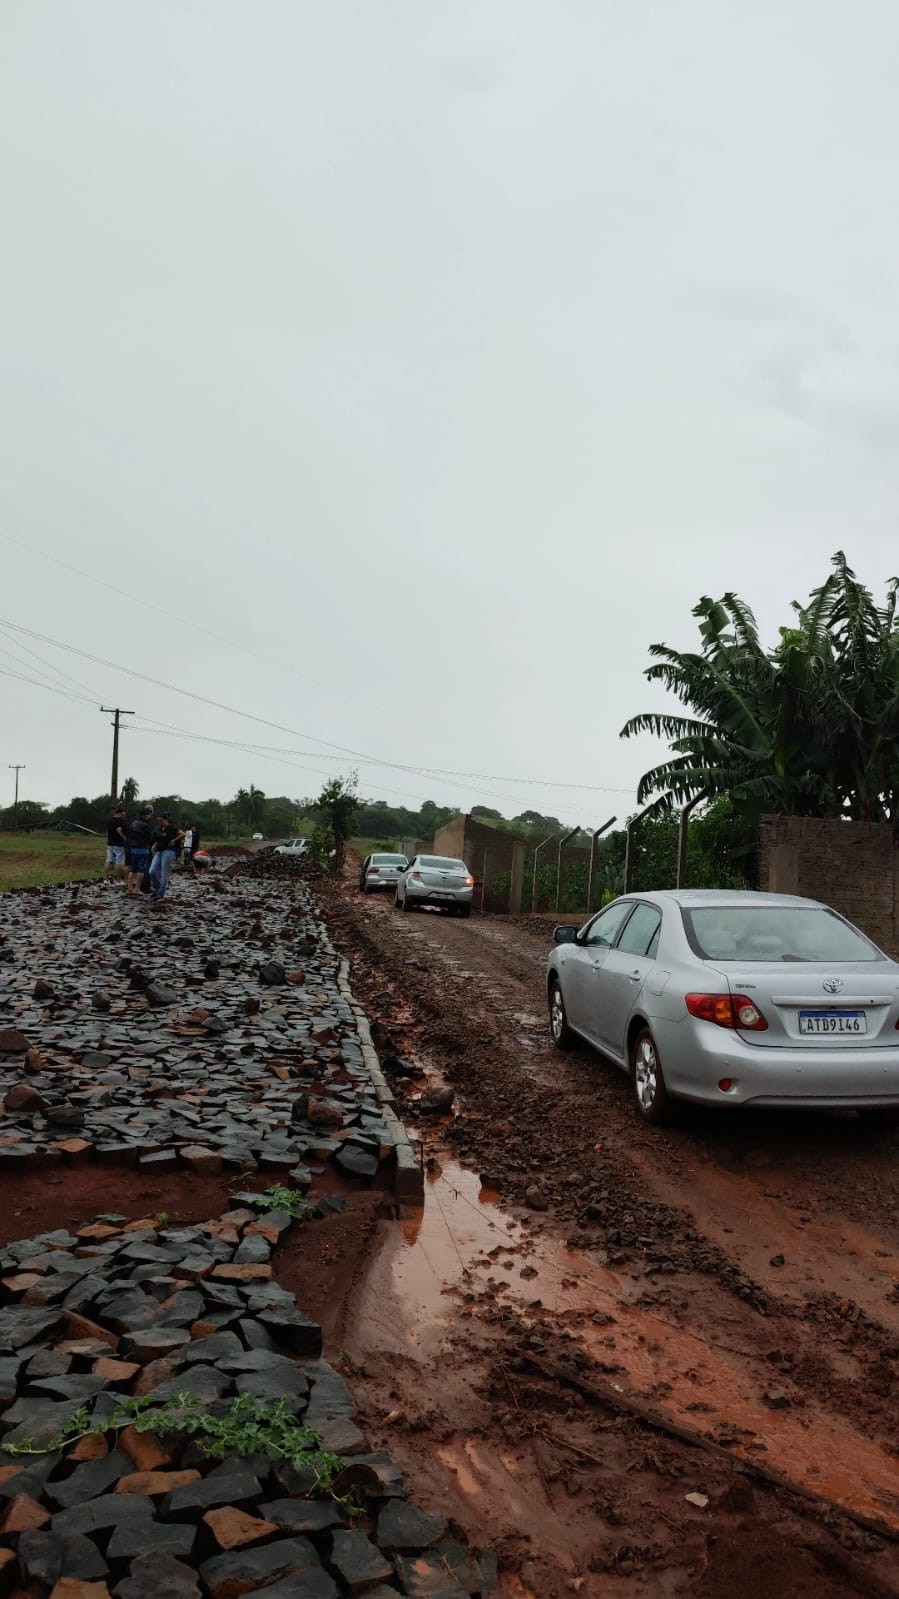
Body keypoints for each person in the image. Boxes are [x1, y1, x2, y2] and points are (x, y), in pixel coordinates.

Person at [148, 813, 185, 906]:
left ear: (166, 820)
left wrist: (174, 840)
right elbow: (158, 839)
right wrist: (154, 845)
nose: (159, 822)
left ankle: (160, 894)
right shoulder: (158, 829)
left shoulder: (171, 828)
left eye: (161, 821)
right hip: (158, 852)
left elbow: (183, 834)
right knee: (152, 871)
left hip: (168, 852)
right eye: (158, 821)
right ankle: (157, 889)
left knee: (164, 873)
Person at [126, 806, 154, 898]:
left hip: (132, 849)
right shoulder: (145, 825)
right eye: (149, 815)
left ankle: (129, 888)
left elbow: (128, 835)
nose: (150, 817)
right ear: (146, 815)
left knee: (132, 869)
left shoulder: (133, 823)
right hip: (143, 850)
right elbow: (150, 837)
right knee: (141, 870)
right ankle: (137, 889)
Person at [104, 806, 127, 884]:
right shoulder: (121, 821)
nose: (124, 816)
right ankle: (118, 880)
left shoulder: (109, 820)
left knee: (108, 860)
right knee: (119, 862)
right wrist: (124, 838)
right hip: (119, 844)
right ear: (120, 813)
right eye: (123, 814)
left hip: (110, 843)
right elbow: (120, 830)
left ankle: (106, 879)